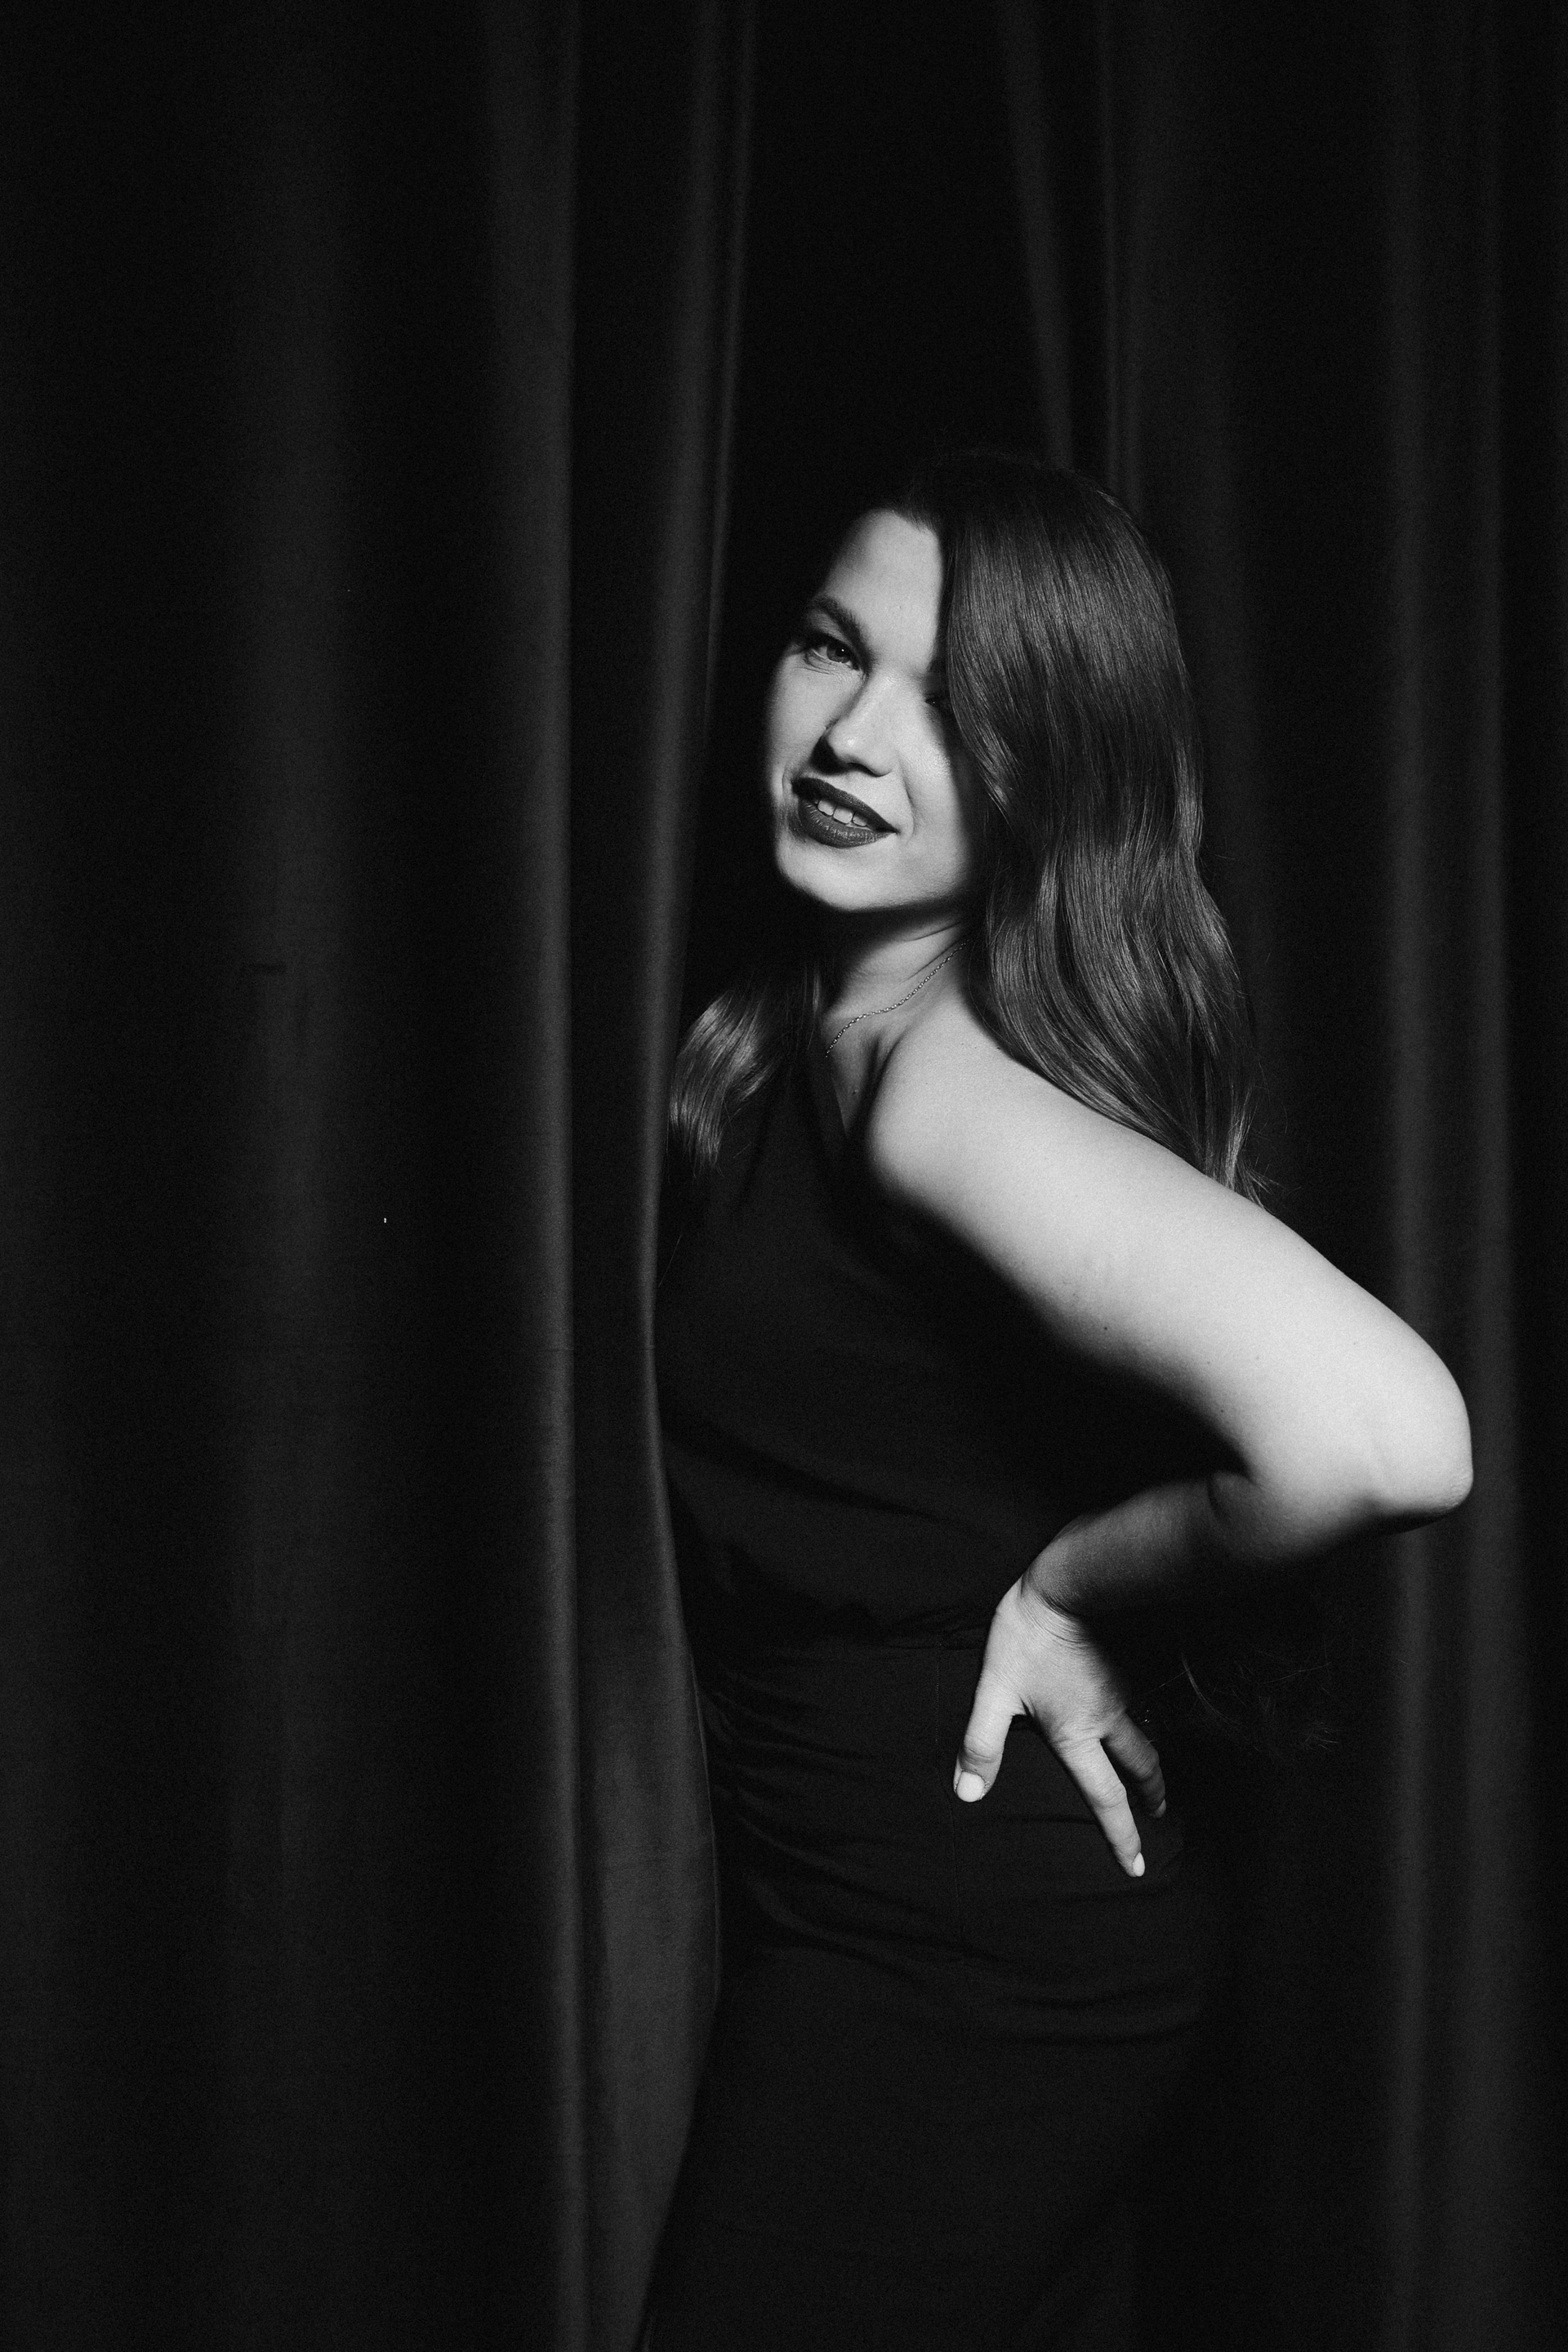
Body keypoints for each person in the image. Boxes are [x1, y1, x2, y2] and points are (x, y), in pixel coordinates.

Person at [648, 452, 1472, 2350]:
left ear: (1055, 765)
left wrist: (1075, 1582)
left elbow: (1392, 1431)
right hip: (887, 1908)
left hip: (967, 1958)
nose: (855, 738)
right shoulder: (805, 1028)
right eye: (831, 648)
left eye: (952, 705)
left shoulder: (937, 1089)